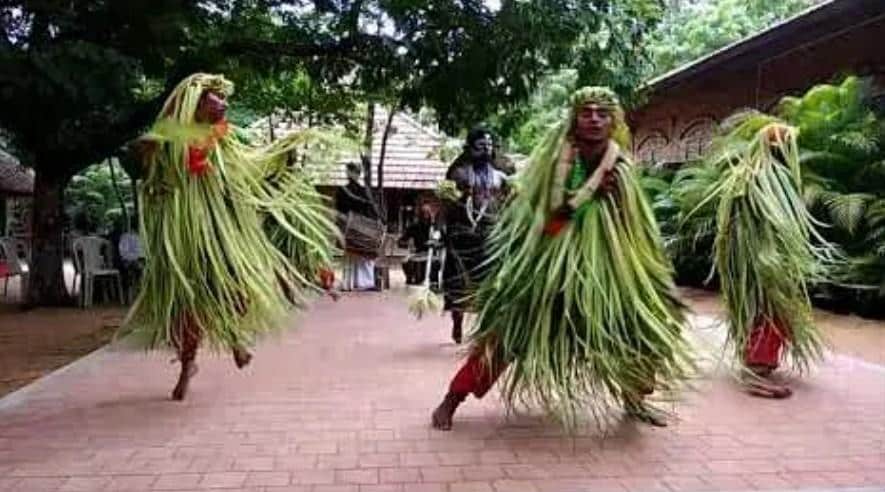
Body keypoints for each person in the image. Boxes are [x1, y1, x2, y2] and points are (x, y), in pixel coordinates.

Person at [431, 87, 694, 431]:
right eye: (587, 112)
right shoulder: (558, 161)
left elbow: (635, 224)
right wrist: (590, 194)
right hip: (550, 264)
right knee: (510, 333)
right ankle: (452, 399)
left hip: (611, 267)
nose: (595, 120)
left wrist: (648, 270)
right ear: (574, 118)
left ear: (613, 119)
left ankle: (634, 399)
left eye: (602, 113)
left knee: (640, 327)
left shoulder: (622, 164)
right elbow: (552, 220)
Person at [125, 73, 338, 400]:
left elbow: (254, 166)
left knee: (234, 287)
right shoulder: (169, 135)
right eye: (217, 99)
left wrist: (282, 152)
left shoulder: (226, 138)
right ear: (197, 102)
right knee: (185, 301)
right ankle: (187, 364)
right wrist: (147, 155)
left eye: (224, 99)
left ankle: (234, 335)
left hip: (219, 230)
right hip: (183, 235)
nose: (224, 105)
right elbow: (148, 172)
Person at [440, 128, 508, 343]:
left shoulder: (502, 177)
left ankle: (486, 327)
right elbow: (447, 204)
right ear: (469, 148)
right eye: (480, 146)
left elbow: (508, 205)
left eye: (489, 146)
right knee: (458, 283)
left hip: (490, 236)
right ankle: (457, 321)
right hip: (462, 237)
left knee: (490, 283)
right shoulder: (458, 174)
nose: (486, 150)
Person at [336, 162, 381, 291]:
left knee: (361, 253)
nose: (348, 173)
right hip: (354, 223)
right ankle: (354, 282)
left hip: (356, 223)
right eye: (348, 171)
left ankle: (357, 283)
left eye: (350, 171)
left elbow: (340, 211)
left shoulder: (359, 191)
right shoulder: (359, 191)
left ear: (355, 173)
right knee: (355, 253)